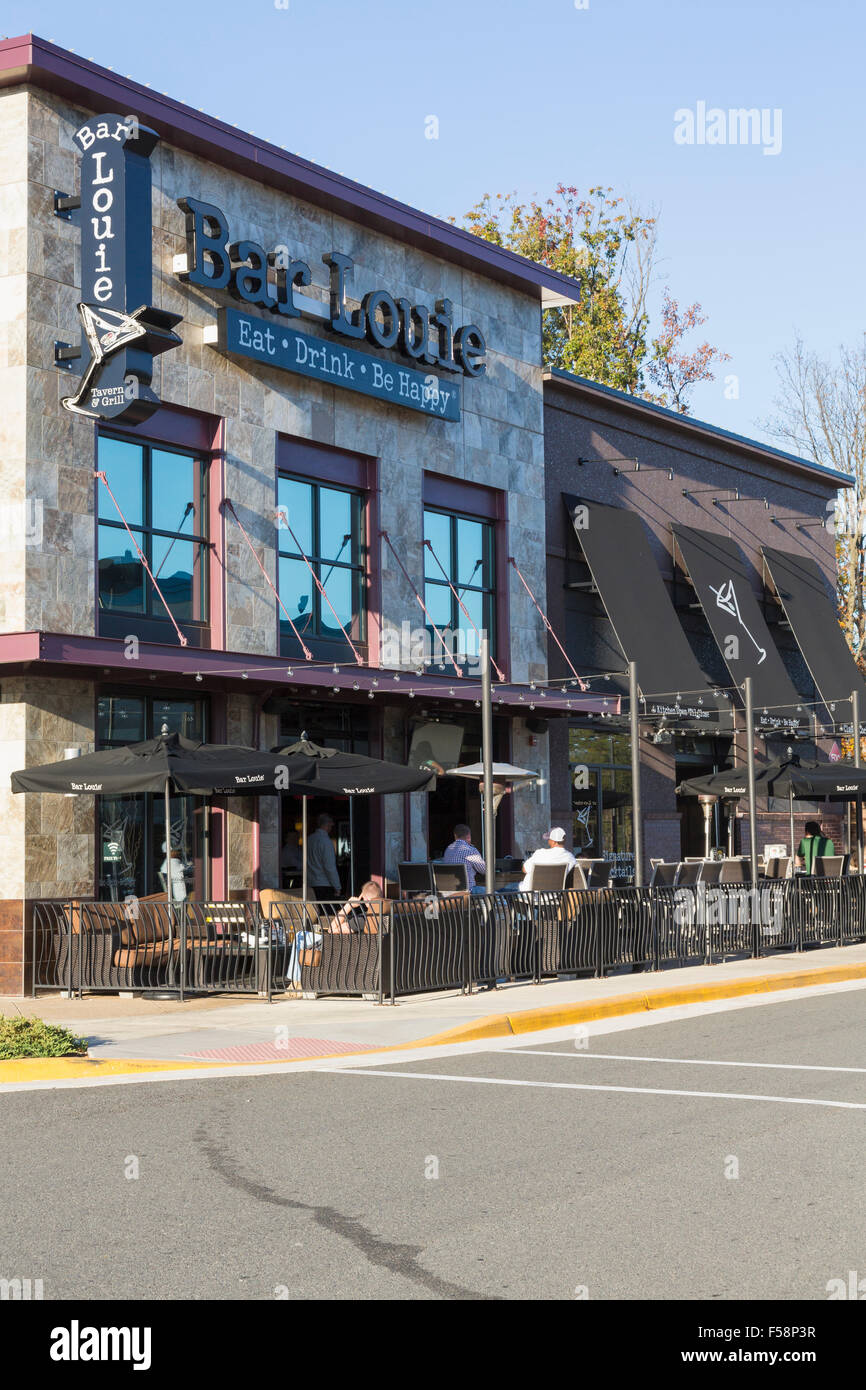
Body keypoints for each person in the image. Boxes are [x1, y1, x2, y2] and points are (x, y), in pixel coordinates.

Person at [442, 823, 487, 892]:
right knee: (497, 895)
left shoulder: (448, 849)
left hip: (450, 893)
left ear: (455, 835)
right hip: (468, 892)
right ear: (469, 836)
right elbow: (485, 870)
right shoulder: (470, 850)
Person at [306, 813, 341, 900]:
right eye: (331, 826)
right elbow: (329, 866)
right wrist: (337, 886)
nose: (331, 828)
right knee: (326, 912)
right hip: (324, 884)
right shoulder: (326, 841)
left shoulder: (309, 839)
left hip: (310, 883)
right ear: (328, 825)